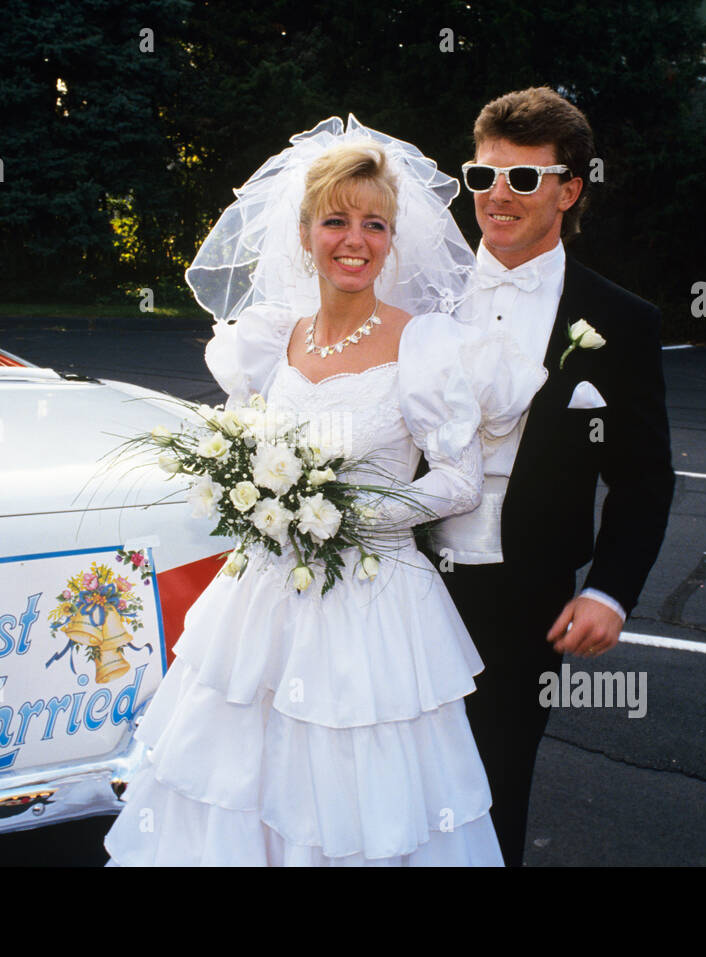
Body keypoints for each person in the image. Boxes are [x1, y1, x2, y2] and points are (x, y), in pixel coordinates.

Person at [102, 116, 547, 866]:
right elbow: (244, 439)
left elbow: (461, 481)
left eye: (374, 224)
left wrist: (352, 517)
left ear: (392, 239)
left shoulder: (425, 343)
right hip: (262, 605)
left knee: (357, 799)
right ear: (306, 231)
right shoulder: (271, 337)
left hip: (373, 608)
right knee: (237, 783)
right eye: (336, 220)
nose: (355, 240)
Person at [426, 88, 676, 863]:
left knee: (493, 781)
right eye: (482, 176)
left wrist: (609, 589)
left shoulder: (621, 320)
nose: (498, 196)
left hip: (523, 593)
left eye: (524, 180)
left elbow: (643, 478)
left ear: (570, 190)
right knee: (390, 772)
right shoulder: (418, 295)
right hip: (403, 574)